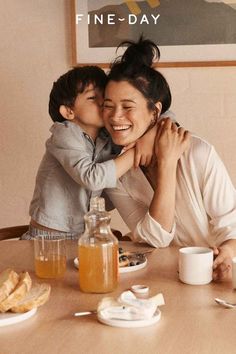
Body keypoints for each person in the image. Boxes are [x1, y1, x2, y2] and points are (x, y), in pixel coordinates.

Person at [102, 37, 236, 281]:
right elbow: (154, 239)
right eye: (108, 106)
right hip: (162, 279)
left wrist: (226, 252)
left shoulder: (198, 154)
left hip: (217, 276)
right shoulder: (118, 176)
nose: (115, 117)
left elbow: (232, 225)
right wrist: (166, 164)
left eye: (127, 106)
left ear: (155, 111)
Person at [25, 66, 136, 240]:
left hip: (82, 233)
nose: (102, 103)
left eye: (104, 97)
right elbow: (92, 178)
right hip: (48, 237)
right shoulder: (64, 133)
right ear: (69, 111)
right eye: (92, 97)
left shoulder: (106, 138)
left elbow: (155, 114)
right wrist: (135, 153)